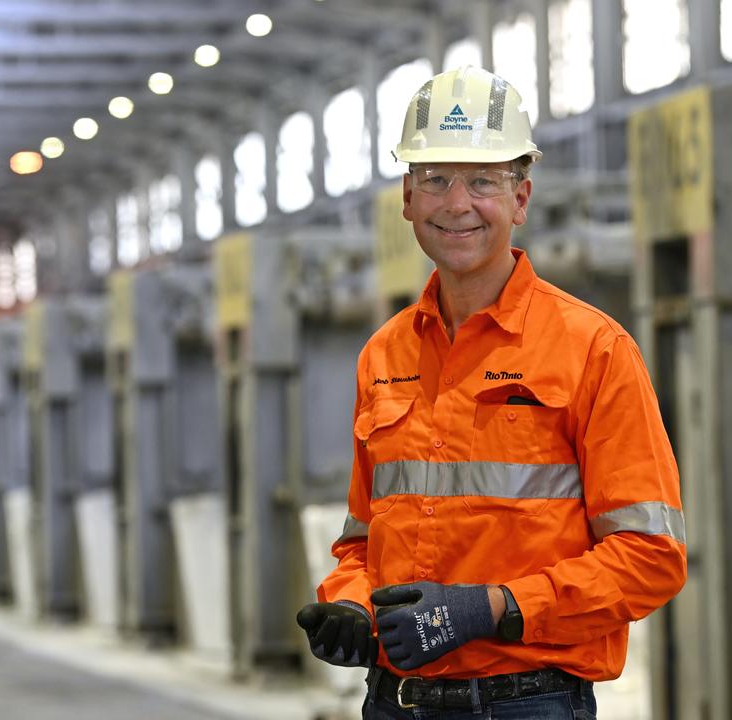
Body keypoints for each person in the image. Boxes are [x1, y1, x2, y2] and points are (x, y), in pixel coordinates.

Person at [295, 66, 687, 719]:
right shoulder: (384, 355)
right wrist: (352, 607)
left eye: (483, 181)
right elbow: (365, 538)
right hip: (394, 703)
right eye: (436, 180)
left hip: (526, 705)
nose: (457, 204)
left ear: (521, 199)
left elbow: (651, 558)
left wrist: (493, 609)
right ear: (407, 199)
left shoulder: (593, 349)